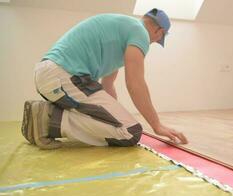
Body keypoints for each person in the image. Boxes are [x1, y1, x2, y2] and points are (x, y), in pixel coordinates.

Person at [21, 8, 188, 149]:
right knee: (130, 132)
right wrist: (156, 125)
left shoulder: (122, 30)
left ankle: (48, 117)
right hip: (65, 75)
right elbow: (135, 83)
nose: (154, 42)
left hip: (52, 75)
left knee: (121, 125)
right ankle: (47, 120)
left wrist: (114, 117)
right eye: (159, 38)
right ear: (159, 32)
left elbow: (108, 85)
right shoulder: (140, 32)